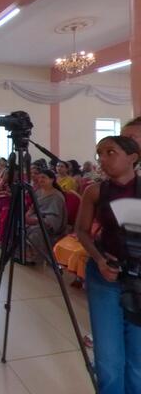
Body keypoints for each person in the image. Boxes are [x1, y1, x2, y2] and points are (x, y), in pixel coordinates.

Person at [76, 135, 141, 393]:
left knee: (138, 357)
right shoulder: (95, 191)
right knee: (108, 358)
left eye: (110, 152)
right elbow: (82, 230)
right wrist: (99, 259)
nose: (102, 159)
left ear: (133, 157)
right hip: (106, 274)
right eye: (99, 153)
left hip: (138, 278)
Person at [24, 169, 67, 264]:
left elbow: (54, 217)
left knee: (36, 231)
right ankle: (22, 252)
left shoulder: (57, 196)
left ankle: (33, 255)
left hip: (50, 221)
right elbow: (33, 208)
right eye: (39, 177)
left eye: (43, 177)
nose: (40, 179)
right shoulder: (38, 192)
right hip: (36, 216)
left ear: (52, 180)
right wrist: (28, 215)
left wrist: (36, 220)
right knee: (19, 225)